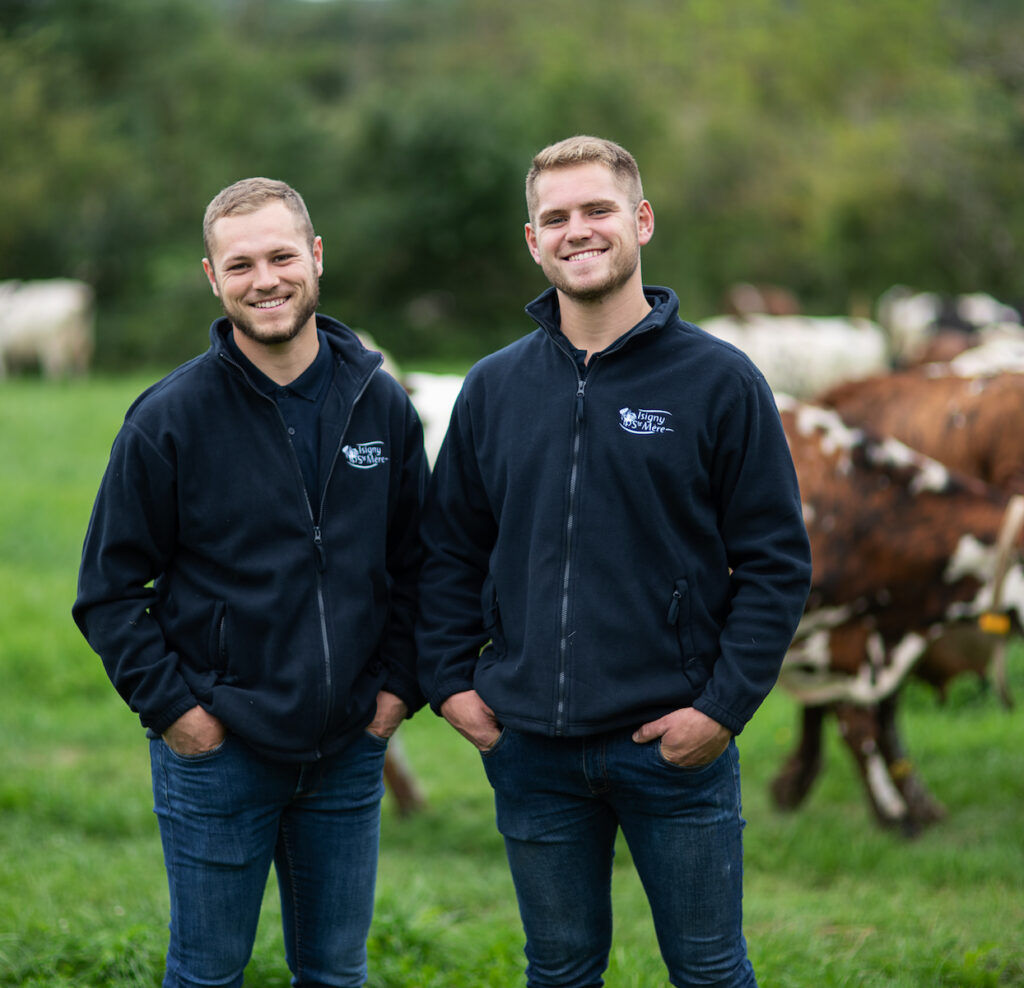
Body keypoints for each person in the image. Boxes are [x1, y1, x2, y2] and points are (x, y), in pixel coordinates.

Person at [415, 136, 812, 987]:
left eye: (597, 210)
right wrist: (452, 686)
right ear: (532, 241)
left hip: (672, 743)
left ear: (640, 221)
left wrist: (722, 709)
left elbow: (777, 562)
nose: (577, 231)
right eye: (554, 218)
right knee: (558, 972)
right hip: (531, 752)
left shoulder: (720, 381)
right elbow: (447, 550)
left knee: (709, 970)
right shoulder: (493, 387)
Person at [73, 178, 428, 988]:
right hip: (218, 750)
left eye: (280, 256)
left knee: (336, 972)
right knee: (207, 975)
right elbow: (108, 589)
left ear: (316, 257)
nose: (264, 279)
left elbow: (420, 565)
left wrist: (395, 695)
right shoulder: (168, 419)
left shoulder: (380, 405)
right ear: (212, 277)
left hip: (345, 749)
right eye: (241, 265)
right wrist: (179, 715)